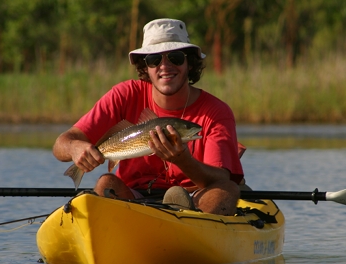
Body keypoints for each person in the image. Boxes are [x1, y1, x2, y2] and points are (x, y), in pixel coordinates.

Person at [52, 18, 243, 215]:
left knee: (226, 190)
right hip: (135, 197)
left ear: (190, 64)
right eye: (154, 59)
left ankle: (189, 228)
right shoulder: (123, 95)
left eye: (175, 58)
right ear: (145, 67)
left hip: (196, 200)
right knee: (106, 182)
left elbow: (221, 178)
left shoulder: (216, 111)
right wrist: (75, 148)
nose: (165, 66)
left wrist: (183, 160)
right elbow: (60, 145)